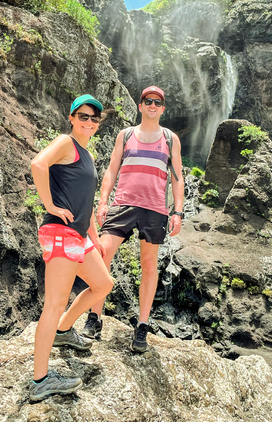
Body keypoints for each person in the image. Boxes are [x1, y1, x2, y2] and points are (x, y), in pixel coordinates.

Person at [82, 85, 184, 353]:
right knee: (102, 254)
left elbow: (177, 177)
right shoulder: (125, 135)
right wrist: (102, 201)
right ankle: (94, 317)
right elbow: (112, 169)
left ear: (162, 109)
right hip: (123, 204)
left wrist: (178, 211)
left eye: (157, 102)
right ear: (140, 106)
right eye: (148, 101)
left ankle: (142, 326)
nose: (152, 105)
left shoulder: (171, 139)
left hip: (155, 209)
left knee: (149, 265)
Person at [28, 94, 115, 402]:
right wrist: (49, 203)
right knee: (54, 302)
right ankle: (39, 380)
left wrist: (93, 237)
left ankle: (65, 332)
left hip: (79, 236)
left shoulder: (87, 155)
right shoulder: (66, 142)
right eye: (83, 116)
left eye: (94, 118)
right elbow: (38, 164)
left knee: (104, 284)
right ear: (72, 117)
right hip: (61, 232)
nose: (89, 122)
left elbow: (86, 203)